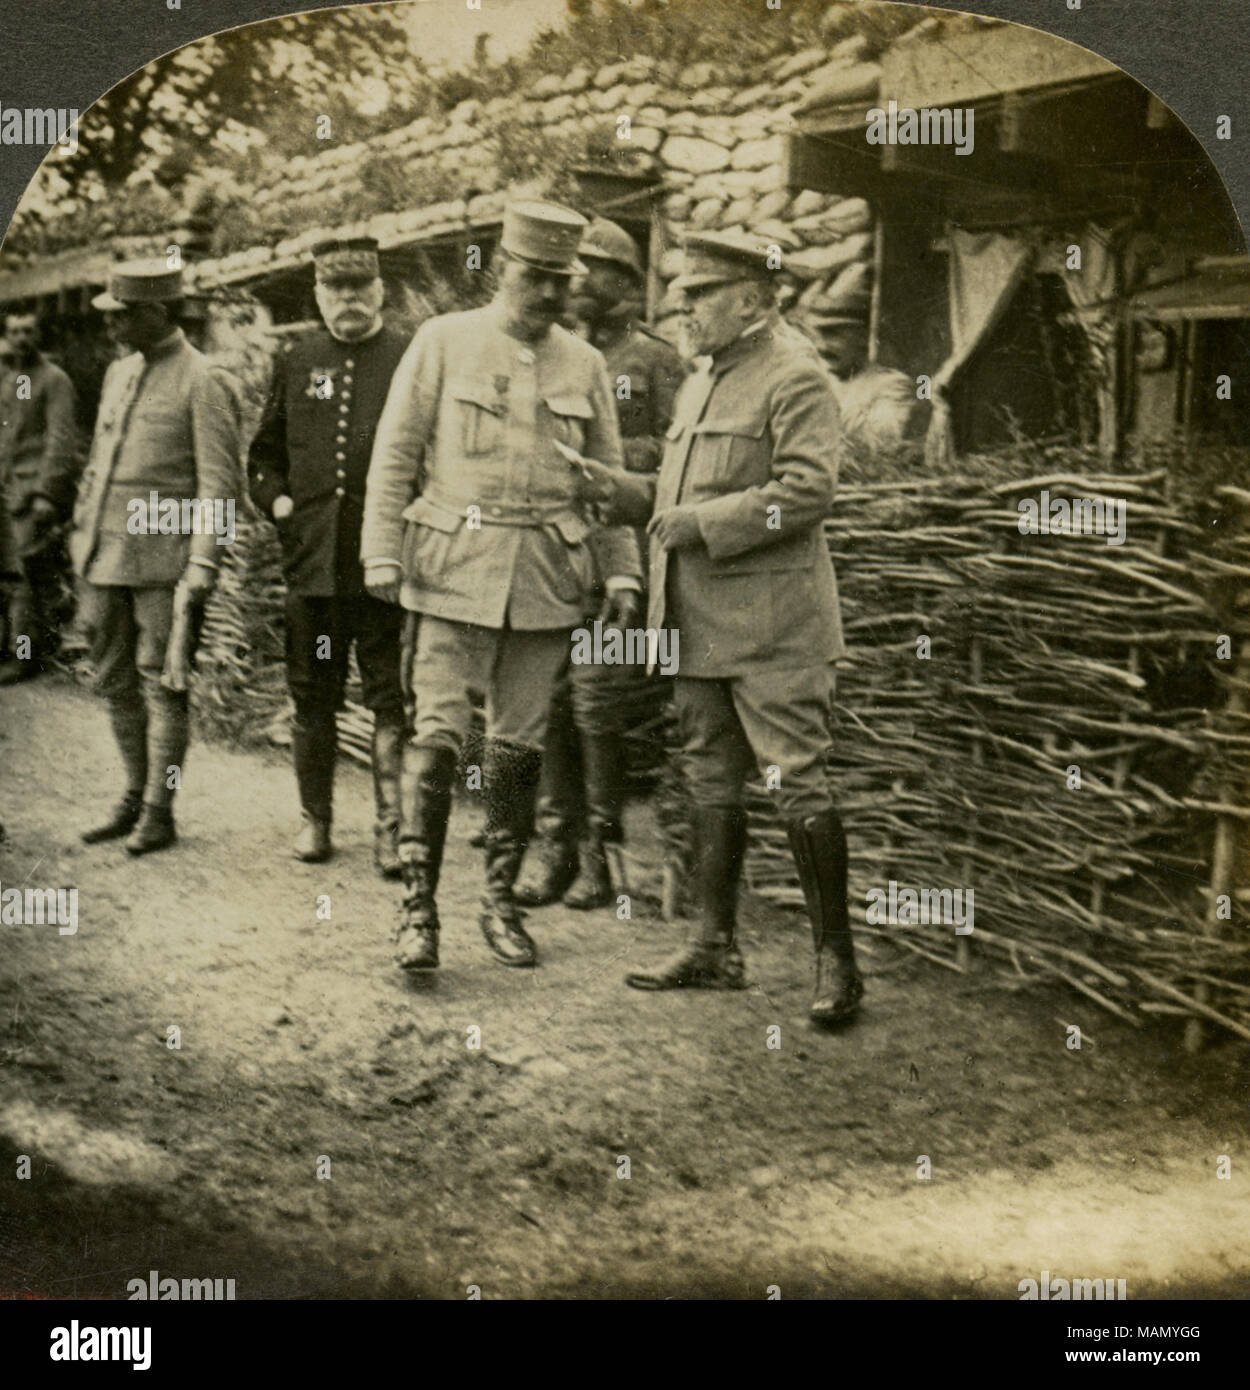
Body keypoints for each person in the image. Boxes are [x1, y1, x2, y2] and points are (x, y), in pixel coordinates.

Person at [577, 231, 863, 1025]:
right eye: (681, 295)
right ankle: (713, 947)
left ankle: (836, 963)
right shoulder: (706, 378)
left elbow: (806, 494)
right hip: (698, 624)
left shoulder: (796, 376)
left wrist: (700, 523)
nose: (682, 310)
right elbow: (673, 495)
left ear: (751, 296)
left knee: (797, 780)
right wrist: (618, 489)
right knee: (708, 780)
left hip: (773, 628)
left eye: (697, 295)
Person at [361, 200, 641, 973]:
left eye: (562, 281)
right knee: (440, 736)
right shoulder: (443, 342)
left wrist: (621, 568)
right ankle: (417, 910)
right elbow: (395, 455)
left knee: (517, 747)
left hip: (546, 579)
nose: (551, 294)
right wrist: (381, 553)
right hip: (450, 571)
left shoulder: (584, 363)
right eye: (537, 277)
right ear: (502, 268)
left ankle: (499, 901)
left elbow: (606, 483)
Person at [516, 217, 684, 910]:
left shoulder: (656, 358)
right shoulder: (559, 357)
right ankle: (554, 847)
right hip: (561, 554)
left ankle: (600, 857)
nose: (579, 282)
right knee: (551, 698)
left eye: (595, 271)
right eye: (572, 271)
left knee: (596, 703)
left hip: (623, 557)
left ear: (624, 281)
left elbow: (681, 461)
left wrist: (615, 467)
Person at [248, 238, 408, 871]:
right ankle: (316, 821)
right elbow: (264, 455)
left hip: (383, 567)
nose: (348, 300)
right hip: (313, 568)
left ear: (380, 291)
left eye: (359, 289)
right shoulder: (298, 360)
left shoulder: (408, 356)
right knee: (313, 697)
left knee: (390, 699)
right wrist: (279, 504)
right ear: (318, 295)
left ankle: (392, 830)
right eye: (336, 290)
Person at [71, 259, 239, 855]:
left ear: (158, 312)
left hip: (165, 567)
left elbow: (219, 487)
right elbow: (99, 466)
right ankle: (132, 794)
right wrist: (80, 542)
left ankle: (159, 810)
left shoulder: (204, 378)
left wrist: (202, 567)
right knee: (113, 681)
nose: (113, 325)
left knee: (163, 687)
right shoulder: (119, 373)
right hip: (103, 558)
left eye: (123, 314)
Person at [0, 308, 78, 685]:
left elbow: (60, 441)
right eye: (14, 332)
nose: (21, 339)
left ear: (39, 334)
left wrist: (47, 493)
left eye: (28, 331)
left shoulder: (54, 380)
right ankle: (20, 647)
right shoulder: (12, 380)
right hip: (6, 492)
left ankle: (25, 656)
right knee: (14, 578)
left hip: (32, 494)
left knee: (25, 579)